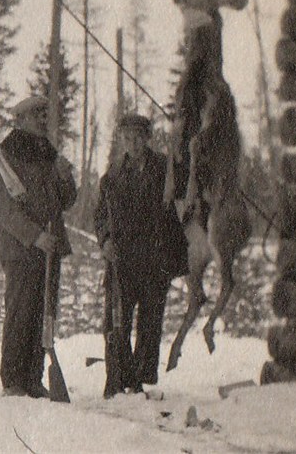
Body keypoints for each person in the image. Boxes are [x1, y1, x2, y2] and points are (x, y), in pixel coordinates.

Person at [0, 96, 77, 398]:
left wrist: (67, 178)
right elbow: (2, 208)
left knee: (44, 313)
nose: (43, 119)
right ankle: (13, 380)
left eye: (44, 114)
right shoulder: (5, 155)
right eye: (36, 115)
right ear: (20, 120)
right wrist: (34, 236)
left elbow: (65, 201)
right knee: (21, 311)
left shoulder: (48, 155)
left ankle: (34, 377)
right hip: (21, 248)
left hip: (49, 247)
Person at [94, 114, 188, 399]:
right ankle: (117, 379)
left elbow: (181, 197)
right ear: (121, 140)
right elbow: (100, 216)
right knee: (114, 322)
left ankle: (140, 379)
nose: (132, 143)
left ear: (147, 138)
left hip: (154, 259)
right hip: (121, 261)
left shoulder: (164, 168)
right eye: (126, 138)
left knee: (149, 323)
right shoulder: (112, 174)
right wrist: (105, 240)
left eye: (137, 137)